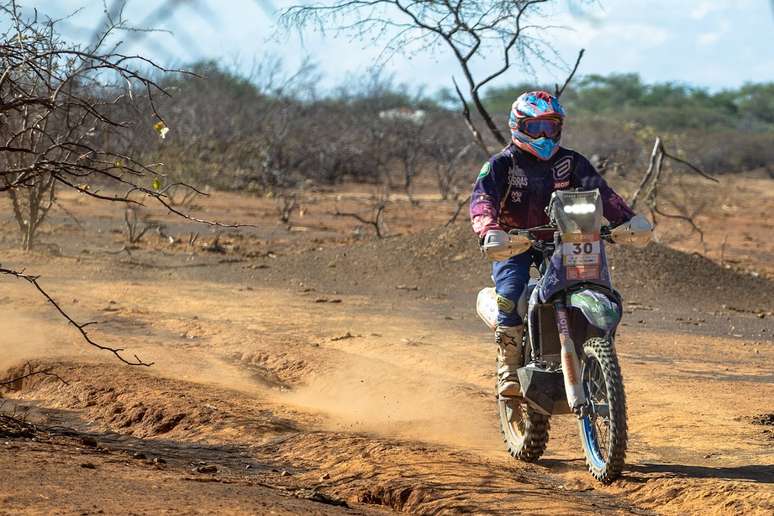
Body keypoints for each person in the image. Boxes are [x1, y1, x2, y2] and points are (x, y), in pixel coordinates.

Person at [469, 90, 636, 398]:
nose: (544, 135)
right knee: (510, 291)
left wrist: (627, 219)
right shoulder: (503, 164)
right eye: (536, 128)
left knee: (594, 283)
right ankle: (509, 363)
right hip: (513, 241)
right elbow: (482, 200)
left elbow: (604, 194)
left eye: (551, 126)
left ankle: (597, 355)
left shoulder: (572, 162)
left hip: (565, 239)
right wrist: (488, 228)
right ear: (518, 126)